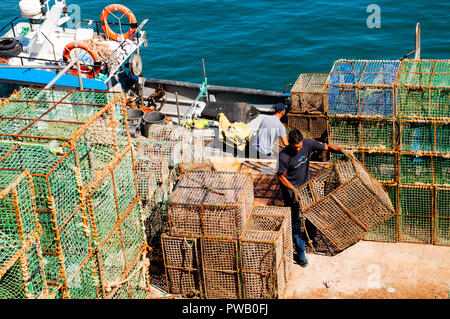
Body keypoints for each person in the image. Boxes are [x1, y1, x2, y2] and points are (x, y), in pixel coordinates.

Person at [277, 129, 343, 267]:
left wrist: (341, 150)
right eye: (296, 147)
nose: (299, 149)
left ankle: (310, 237)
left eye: (300, 146)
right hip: (291, 190)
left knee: (312, 211)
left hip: (306, 186)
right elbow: (281, 177)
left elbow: (327, 147)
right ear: (289, 144)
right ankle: (301, 254)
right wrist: (294, 190)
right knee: (295, 221)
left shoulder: (307, 144)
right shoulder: (283, 157)